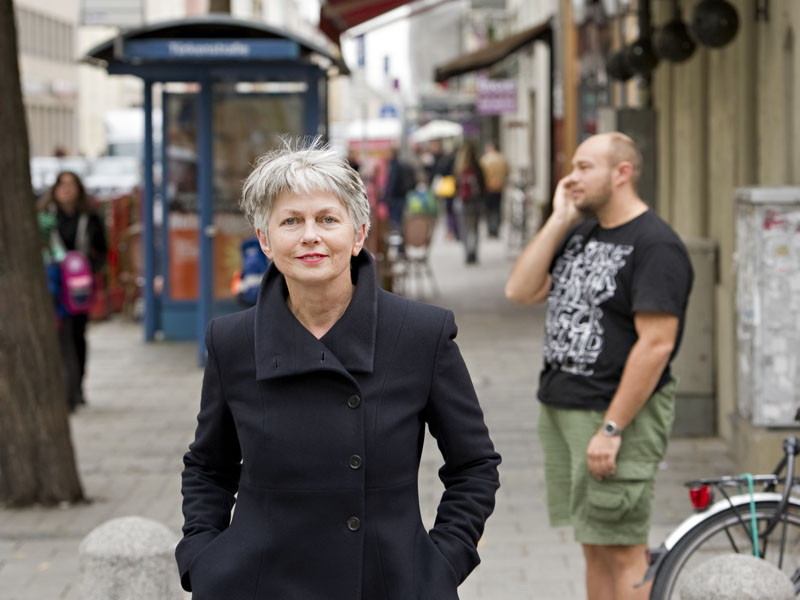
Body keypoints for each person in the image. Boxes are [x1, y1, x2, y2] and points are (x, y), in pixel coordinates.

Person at [176, 140, 501, 600]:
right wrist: (202, 558)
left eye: (328, 219)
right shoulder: (231, 341)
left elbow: (474, 465)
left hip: (385, 584)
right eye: (291, 221)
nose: (310, 235)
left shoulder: (420, 334)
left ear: (358, 233)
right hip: (258, 585)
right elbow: (209, 467)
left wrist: (441, 563)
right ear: (266, 240)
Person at [505, 132, 693, 600]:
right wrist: (558, 218)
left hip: (611, 415)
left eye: (585, 167)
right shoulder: (580, 232)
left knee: (624, 549)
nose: (572, 177)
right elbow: (520, 290)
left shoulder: (656, 245)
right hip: (563, 406)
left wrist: (612, 428)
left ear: (622, 173)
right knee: (593, 543)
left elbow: (655, 345)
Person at [38, 171, 108, 411]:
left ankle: (77, 386)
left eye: (71, 184)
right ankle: (66, 387)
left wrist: (91, 268)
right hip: (56, 284)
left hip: (80, 285)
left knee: (78, 334)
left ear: (79, 188)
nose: (66, 189)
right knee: (62, 334)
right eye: (62, 185)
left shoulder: (89, 216)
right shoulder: (46, 216)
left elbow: (102, 248)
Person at [453, 141, 485, 264]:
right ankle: (474, 253)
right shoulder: (477, 167)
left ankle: (467, 253)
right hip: (476, 202)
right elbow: (483, 185)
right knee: (475, 228)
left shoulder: (459, 167)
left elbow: (456, 186)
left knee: (465, 229)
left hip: (463, 202)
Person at [479, 141, 509, 238]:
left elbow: (481, 174)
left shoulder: (484, 160)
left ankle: (490, 230)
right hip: (499, 187)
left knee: (488, 210)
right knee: (497, 209)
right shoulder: (502, 159)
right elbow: (507, 172)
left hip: (488, 188)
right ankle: (496, 229)